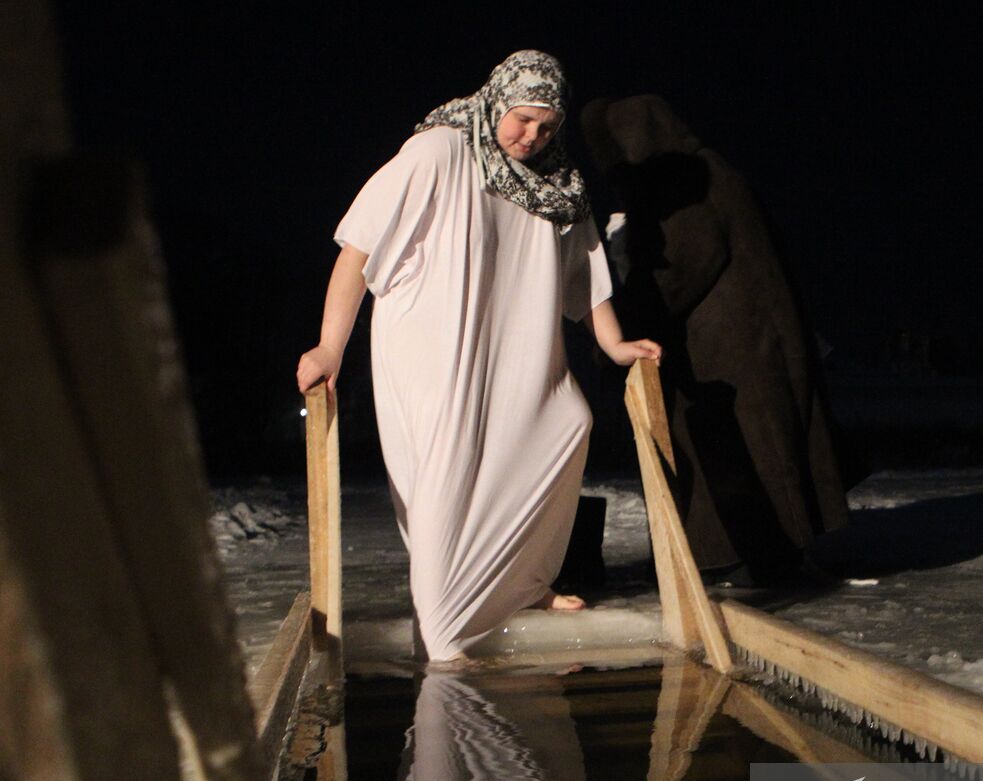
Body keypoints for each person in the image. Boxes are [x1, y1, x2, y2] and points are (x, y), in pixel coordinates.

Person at [297, 51, 660, 664]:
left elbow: (587, 276)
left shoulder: (559, 181)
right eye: (522, 120)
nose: (531, 137)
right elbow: (358, 249)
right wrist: (332, 343)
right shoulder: (439, 151)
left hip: (518, 344)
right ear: (497, 102)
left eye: (547, 126)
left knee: (565, 424)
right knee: (450, 472)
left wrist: (614, 344)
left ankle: (521, 586)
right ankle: (443, 632)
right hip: (437, 346)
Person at [581, 95, 856, 587]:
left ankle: (749, 558)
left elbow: (682, 269)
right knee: (754, 446)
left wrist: (618, 331)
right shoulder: (709, 171)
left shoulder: (685, 183)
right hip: (744, 341)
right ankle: (758, 554)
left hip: (732, 348)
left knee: (740, 448)